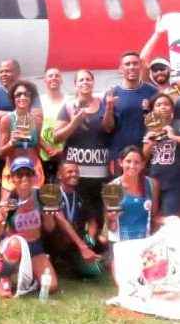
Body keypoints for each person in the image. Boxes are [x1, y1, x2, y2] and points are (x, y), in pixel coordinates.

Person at [0, 157, 57, 298]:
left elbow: (50, 228)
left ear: (34, 177)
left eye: (28, 174)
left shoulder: (41, 196)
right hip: (14, 245)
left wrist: (48, 215)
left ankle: (25, 273)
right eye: (19, 174)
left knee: (51, 286)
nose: (24, 178)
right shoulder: (9, 200)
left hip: (35, 246)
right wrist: (1, 217)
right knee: (16, 243)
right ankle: (5, 278)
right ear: (12, 178)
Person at [0, 59, 41, 217]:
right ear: (12, 98)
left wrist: (4, 114)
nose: (3, 74)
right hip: (6, 158)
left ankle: (32, 239)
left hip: (32, 164)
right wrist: (10, 118)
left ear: (18, 73)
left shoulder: (31, 92)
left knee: (33, 208)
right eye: (1, 71)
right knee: (3, 202)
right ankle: (2, 232)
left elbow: (38, 118)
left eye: (7, 71)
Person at [55, 70, 110, 226]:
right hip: (75, 171)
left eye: (88, 79)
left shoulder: (104, 104)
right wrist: (74, 123)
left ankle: (93, 245)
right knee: (76, 215)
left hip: (99, 171)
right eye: (81, 80)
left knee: (97, 214)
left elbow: (111, 128)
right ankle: (78, 246)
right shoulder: (67, 106)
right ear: (75, 84)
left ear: (93, 82)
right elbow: (57, 136)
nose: (85, 82)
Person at [45, 161, 103, 278]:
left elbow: (92, 221)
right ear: (59, 175)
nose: (74, 174)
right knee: (61, 235)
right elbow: (62, 221)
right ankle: (56, 261)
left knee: (95, 271)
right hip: (55, 239)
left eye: (76, 172)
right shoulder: (51, 192)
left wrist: (89, 242)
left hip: (76, 241)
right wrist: (83, 247)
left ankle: (70, 264)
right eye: (69, 171)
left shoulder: (81, 194)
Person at [102, 51, 157, 175]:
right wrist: (109, 108)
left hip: (145, 157)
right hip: (118, 158)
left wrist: (148, 113)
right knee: (118, 194)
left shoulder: (153, 92)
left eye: (135, 63)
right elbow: (107, 128)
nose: (131, 67)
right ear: (121, 69)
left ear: (141, 67)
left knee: (145, 193)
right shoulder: (112, 93)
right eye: (127, 64)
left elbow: (159, 126)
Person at [106, 146, 160, 247]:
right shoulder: (112, 188)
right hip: (121, 244)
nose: (132, 166)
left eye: (137, 162)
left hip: (145, 244)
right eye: (128, 161)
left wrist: (169, 221)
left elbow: (154, 217)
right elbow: (111, 227)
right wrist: (111, 218)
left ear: (143, 164)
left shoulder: (152, 184)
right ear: (120, 162)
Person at [0, 80, 44, 192]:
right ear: (13, 99)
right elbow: (1, 153)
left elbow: (37, 146)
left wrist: (49, 149)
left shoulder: (37, 121)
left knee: (34, 208)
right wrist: (11, 143)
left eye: (26, 94)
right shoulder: (6, 120)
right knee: (6, 207)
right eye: (18, 94)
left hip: (33, 170)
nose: (22, 97)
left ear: (31, 98)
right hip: (12, 170)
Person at [143, 93, 180, 217]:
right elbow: (143, 157)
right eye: (158, 105)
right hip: (153, 181)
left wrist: (173, 137)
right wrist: (149, 144)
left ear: (172, 108)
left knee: (170, 219)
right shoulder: (150, 128)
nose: (163, 107)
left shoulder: (178, 124)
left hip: (174, 182)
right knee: (152, 218)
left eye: (166, 104)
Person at [39, 68, 67, 182]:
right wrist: (47, 149)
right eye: (50, 76)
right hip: (41, 153)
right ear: (45, 80)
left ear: (61, 80)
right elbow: (33, 128)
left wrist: (62, 151)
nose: (54, 78)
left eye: (57, 75)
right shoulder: (38, 101)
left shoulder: (69, 101)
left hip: (64, 155)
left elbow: (74, 128)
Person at [141, 17, 174, 93]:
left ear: (170, 69)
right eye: (155, 70)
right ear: (151, 73)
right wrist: (157, 34)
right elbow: (142, 59)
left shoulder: (177, 88)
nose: (159, 72)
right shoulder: (149, 88)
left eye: (162, 68)